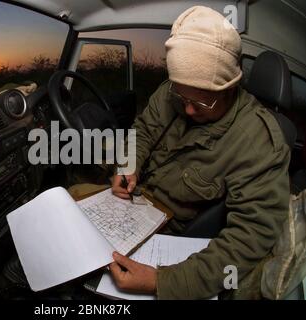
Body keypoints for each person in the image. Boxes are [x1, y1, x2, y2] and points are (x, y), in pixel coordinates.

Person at [108, 6, 290, 299]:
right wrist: (127, 166)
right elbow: (142, 131)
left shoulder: (259, 142)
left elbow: (249, 240)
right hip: (132, 201)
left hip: (166, 231)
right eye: (183, 97)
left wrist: (162, 283)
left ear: (230, 88)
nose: (189, 110)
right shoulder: (173, 91)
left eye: (202, 104)